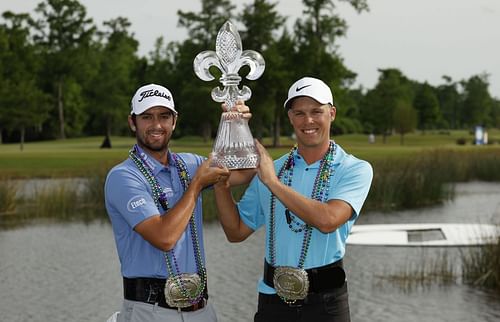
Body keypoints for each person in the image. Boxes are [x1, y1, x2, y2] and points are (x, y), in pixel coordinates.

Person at [213, 77, 373, 322]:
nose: (308, 120)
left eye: (316, 111)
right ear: (290, 117)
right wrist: (221, 185)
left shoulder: (354, 169)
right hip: (272, 301)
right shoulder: (272, 169)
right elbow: (236, 232)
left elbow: (328, 220)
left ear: (332, 113)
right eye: (299, 113)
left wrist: (272, 183)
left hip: (326, 304)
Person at [105, 83, 251, 322]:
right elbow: (164, 237)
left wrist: (238, 125)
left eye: (164, 116)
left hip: (201, 310)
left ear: (174, 121)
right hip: (149, 310)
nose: (156, 125)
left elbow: (245, 171)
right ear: (133, 122)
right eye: (146, 117)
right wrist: (196, 186)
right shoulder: (123, 176)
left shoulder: (189, 164)